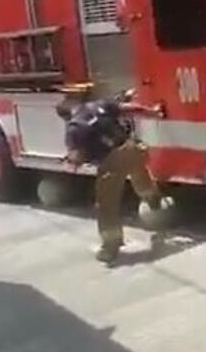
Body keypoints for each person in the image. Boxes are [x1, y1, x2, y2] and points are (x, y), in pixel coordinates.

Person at [57, 90, 165, 265]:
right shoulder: (97, 105)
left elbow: (77, 158)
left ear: (65, 116)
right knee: (139, 173)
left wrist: (70, 161)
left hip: (111, 162)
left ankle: (110, 247)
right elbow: (130, 108)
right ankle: (154, 200)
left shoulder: (74, 128)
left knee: (107, 205)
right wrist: (153, 111)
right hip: (134, 148)